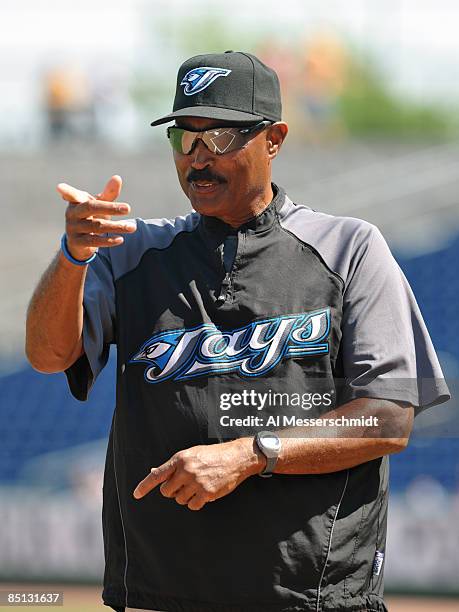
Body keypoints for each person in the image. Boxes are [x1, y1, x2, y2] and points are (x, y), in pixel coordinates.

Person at [25, 51, 450, 612]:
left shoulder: (349, 249)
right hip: (162, 590)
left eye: (220, 137)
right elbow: (48, 355)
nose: (198, 159)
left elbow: (389, 419)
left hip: (312, 595)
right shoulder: (129, 254)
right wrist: (72, 256)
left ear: (274, 139)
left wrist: (252, 453)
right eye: (185, 137)